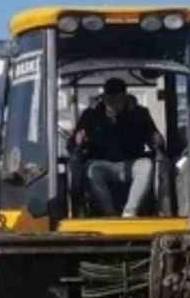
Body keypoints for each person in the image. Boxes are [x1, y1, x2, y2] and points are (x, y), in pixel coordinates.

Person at [70, 78, 167, 217]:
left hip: (132, 162)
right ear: (104, 98)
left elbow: (154, 139)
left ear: (125, 97)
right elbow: (72, 145)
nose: (113, 106)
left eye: (118, 101)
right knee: (91, 170)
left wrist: (158, 141)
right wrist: (77, 140)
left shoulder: (140, 114)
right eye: (109, 101)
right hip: (103, 163)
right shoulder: (90, 115)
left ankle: (129, 212)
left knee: (147, 165)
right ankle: (110, 214)